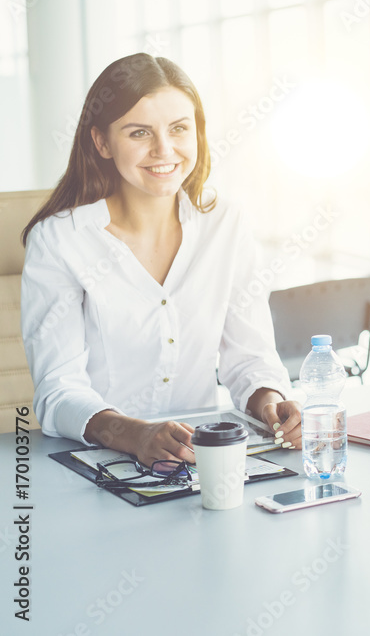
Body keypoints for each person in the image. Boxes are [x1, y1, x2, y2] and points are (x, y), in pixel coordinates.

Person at [20, 53, 301, 468]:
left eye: (179, 129)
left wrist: (272, 404)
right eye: (139, 132)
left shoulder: (226, 224)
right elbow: (58, 391)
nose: (164, 150)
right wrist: (135, 434)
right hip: (100, 465)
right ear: (101, 142)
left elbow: (250, 359)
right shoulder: (60, 240)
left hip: (205, 461)